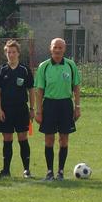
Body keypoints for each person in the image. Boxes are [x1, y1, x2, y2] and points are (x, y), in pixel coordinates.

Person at [34, 38, 81, 181]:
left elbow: (76, 87)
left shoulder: (71, 65)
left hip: (66, 105)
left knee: (64, 139)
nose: (58, 50)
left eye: (60, 47)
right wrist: (38, 111)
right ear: (51, 48)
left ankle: (60, 171)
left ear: (64, 49)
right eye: (55, 47)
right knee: (49, 139)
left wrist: (77, 107)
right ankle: (49, 172)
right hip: (49, 104)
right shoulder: (44, 66)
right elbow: (39, 90)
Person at [0, 40, 34, 179]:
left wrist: (32, 109)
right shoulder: (1, 70)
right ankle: (6, 170)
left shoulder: (25, 70)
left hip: (21, 110)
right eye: (9, 52)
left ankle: (26, 170)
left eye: (13, 52)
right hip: (6, 110)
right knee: (7, 138)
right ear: (6, 53)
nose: (11, 54)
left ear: (18, 53)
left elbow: (31, 91)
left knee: (23, 138)